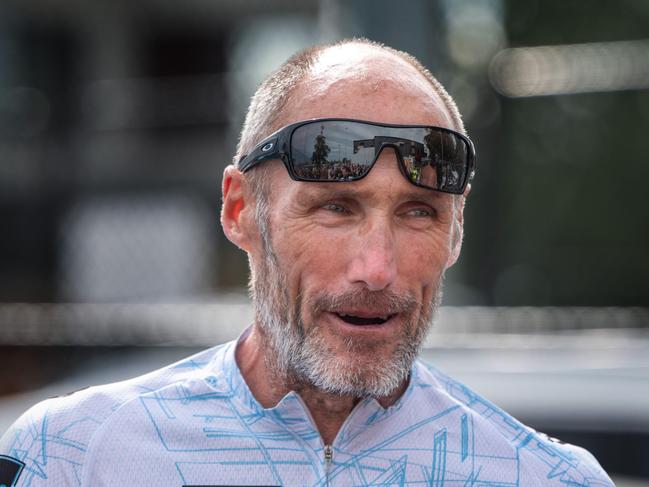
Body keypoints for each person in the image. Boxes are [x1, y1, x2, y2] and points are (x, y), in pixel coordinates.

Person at [0, 39, 613, 487]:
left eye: (419, 212)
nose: (377, 268)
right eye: (336, 208)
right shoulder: (76, 456)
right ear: (241, 210)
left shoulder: (545, 477)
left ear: (457, 231)